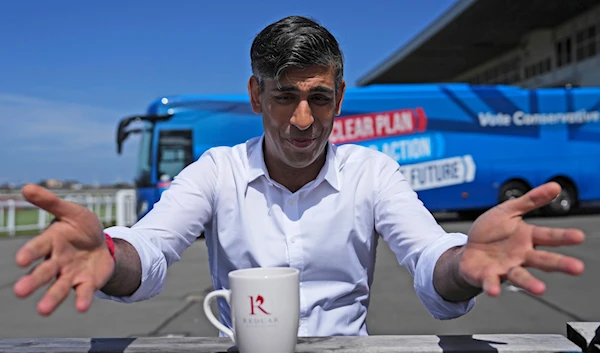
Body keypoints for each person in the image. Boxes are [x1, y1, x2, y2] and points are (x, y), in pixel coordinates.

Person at [14, 15, 585, 337]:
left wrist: (463, 263)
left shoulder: (374, 173)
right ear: (256, 95)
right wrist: (111, 257)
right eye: (285, 96)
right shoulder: (216, 171)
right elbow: (151, 246)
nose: (304, 119)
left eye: (319, 97)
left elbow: (430, 255)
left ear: (339, 96)